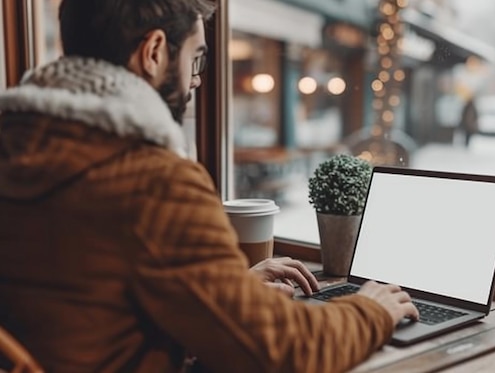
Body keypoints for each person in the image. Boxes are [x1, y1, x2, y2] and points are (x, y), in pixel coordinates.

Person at [0, 1, 418, 372]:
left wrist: (229, 290)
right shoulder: (151, 178)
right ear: (154, 51)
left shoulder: (19, 145)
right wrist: (371, 311)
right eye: (196, 60)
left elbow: (91, 296)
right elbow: (282, 350)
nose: (197, 81)